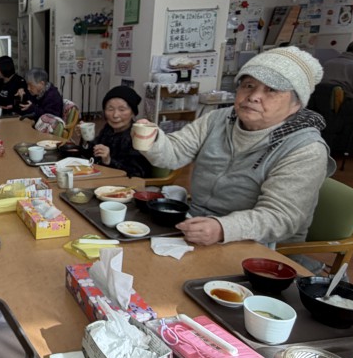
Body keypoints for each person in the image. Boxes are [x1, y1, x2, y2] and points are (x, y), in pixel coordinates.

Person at [136, 46, 333, 247]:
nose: (254, 96)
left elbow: (280, 217)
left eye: (271, 89)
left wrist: (222, 228)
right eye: (248, 85)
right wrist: (152, 139)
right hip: (195, 223)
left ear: (296, 104)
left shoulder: (306, 149)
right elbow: (174, 153)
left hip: (258, 243)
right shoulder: (218, 119)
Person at [91, 85, 152, 178]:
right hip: (103, 178)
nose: (115, 115)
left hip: (125, 185)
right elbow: (93, 153)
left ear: (133, 113)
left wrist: (109, 161)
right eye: (110, 109)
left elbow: (138, 174)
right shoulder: (108, 129)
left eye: (122, 109)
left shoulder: (138, 136)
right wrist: (85, 138)